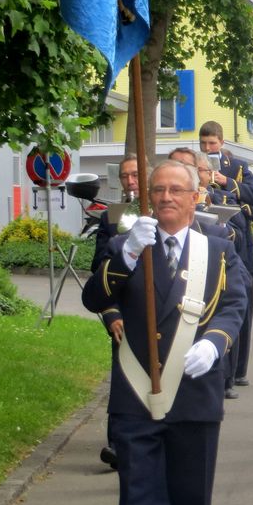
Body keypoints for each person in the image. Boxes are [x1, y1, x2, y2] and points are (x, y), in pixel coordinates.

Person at [83, 160, 247, 505]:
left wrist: (216, 344)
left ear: (196, 197)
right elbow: (95, 298)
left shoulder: (216, 250)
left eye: (178, 190)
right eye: (159, 190)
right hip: (137, 394)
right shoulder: (126, 245)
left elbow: (235, 303)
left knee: (192, 499)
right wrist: (126, 257)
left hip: (194, 392)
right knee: (135, 499)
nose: (167, 197)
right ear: (148, 197)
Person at [198, 120, 253, 395]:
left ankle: (239, 371)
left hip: (239, 246)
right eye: (204, 143)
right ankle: (222, 375)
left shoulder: (239, 166)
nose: (208, 148)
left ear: (221, 143)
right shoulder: (196, 166)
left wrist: (226, 183)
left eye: (212, 143)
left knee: (240, 307)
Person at [93, 154, 139, 469]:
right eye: (124, 176)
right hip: (123, 312)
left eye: (135, 175)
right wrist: (110, 313)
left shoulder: (161, 212)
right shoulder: (111, 217)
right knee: (121, 379)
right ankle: (117, 445)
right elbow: (99, 271)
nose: (130, 181)